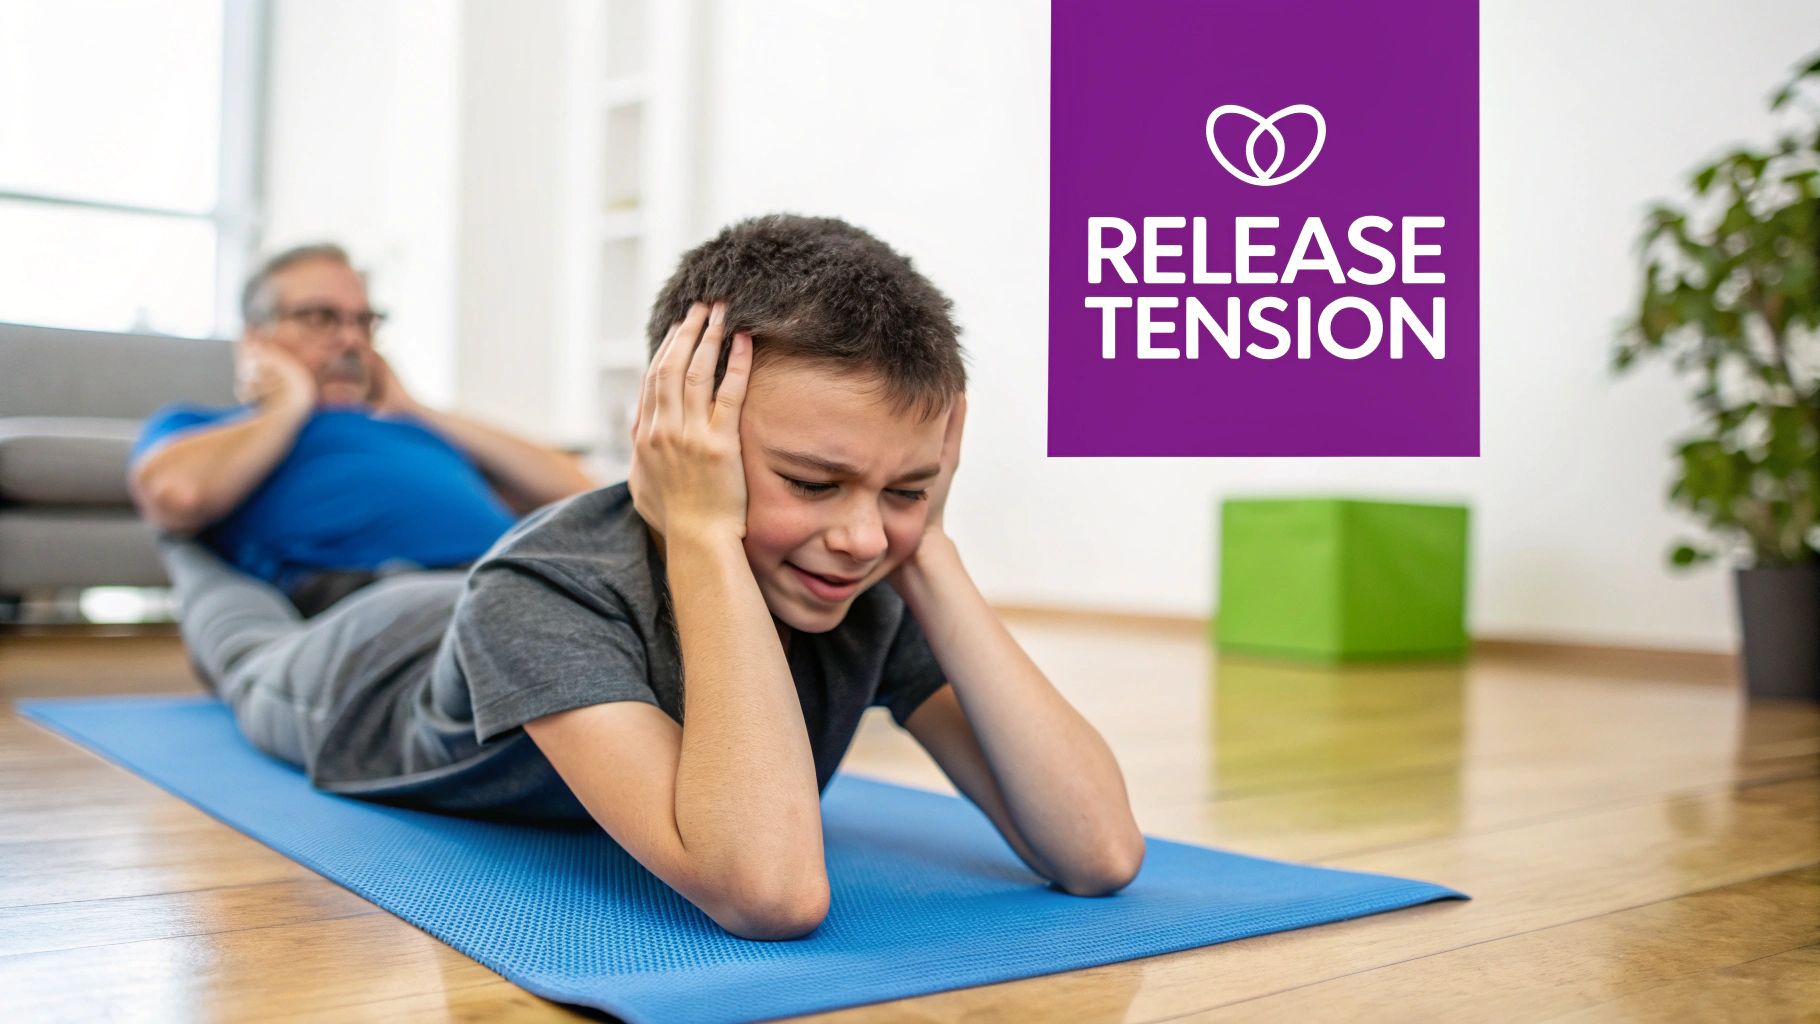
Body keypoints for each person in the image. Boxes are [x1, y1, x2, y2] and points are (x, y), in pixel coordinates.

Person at [157, 215, 1145, 942]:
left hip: (474, 582)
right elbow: (770, 888)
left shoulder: (867, 569)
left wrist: (926, 542)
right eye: (812, 481)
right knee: (231, 623)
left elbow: (1097, 851)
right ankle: (192, 561)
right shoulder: (545, 593)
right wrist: (705, 530)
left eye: (905, 486)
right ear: (679, 435)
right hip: (358, 669)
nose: (856, 536)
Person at [129, 243, 597, 616]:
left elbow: (578, 491)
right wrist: (288, 402)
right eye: (320, 318)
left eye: (363, 321)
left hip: (519, 578)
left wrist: (417, 409)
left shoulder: (411, 432)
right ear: (255, 337)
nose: (351, 339)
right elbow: (178, 495)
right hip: (394, 594)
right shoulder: (207, 429)